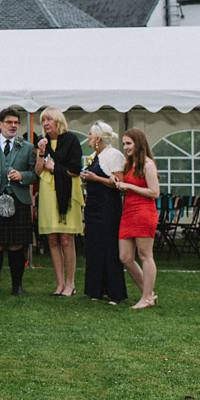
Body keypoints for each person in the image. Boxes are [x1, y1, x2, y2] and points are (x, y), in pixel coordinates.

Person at [0, 108, 37, 296]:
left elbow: (34, 174)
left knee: (16, 244)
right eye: (9, 122)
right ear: (0, 124)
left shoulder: (27, 146)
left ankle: (17, 285)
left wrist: (22, 176)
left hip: (18, 200)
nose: (13, 126)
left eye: (16, 123)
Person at [35, 107, 84, 297]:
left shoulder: (71, 140)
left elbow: (75, 169)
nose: (46, 123)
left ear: (58, 120)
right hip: (48, 190)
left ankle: (70, 283)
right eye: (43, 120)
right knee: (52, 239)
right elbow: (39, 171)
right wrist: (40, 152)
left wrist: (54, 168)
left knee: (66, 238)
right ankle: (60, 283)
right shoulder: (43, 143)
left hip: (66, 191)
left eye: (49, 119)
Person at [80, 121, 128, 304]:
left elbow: (119, 184)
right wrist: (86, 179)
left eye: (90, 134)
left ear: (98, 138)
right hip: (92, 206)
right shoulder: (93, 156)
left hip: (108, 206)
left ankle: (115, 293)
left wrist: (96, 178)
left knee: (109, 248)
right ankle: (96, 290)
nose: (87, 138)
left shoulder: (113, 155)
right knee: (94, 248)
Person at [116, 128, 160, 309]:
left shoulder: (147, 165)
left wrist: (129, 186)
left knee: (145, 255)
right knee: (125, 257)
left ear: (138, 143)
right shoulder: (130, 164)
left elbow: (154, 192)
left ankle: (146, 298)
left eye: (128, 143)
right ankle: (148, 293)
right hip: (128, 212)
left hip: (144, 212)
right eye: (124, 143)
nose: (125, 147)